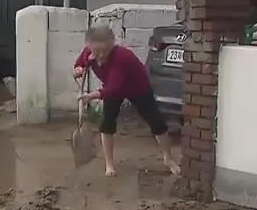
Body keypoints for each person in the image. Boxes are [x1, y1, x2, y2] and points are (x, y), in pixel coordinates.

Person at [73, 25, 180, 177]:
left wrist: (92, 96)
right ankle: (109, 165)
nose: (101, 55)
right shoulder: (88, 53)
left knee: (157, 122)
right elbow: (80, 63)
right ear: (89, 47)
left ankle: (168, 158)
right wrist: (78, 68)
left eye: (105, 50)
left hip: (137, 88)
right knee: (107, 123)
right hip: (111, 87)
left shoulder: (122, 57)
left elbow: (114, 88)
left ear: (112, 44)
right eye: (96, 51)